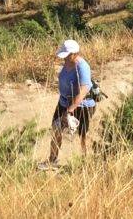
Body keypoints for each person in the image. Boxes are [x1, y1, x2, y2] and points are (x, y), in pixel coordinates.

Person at [40, 39, 96, 169]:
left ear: (74, 53)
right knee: (56, 130)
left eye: (67, 55)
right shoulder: (67, 63)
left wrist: (70, 110)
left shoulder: (82, 66)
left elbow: (84, 90)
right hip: (64, 102)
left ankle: (86, 165)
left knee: (83, 136)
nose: (64, 58)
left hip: (82, 106)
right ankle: (52, 160)